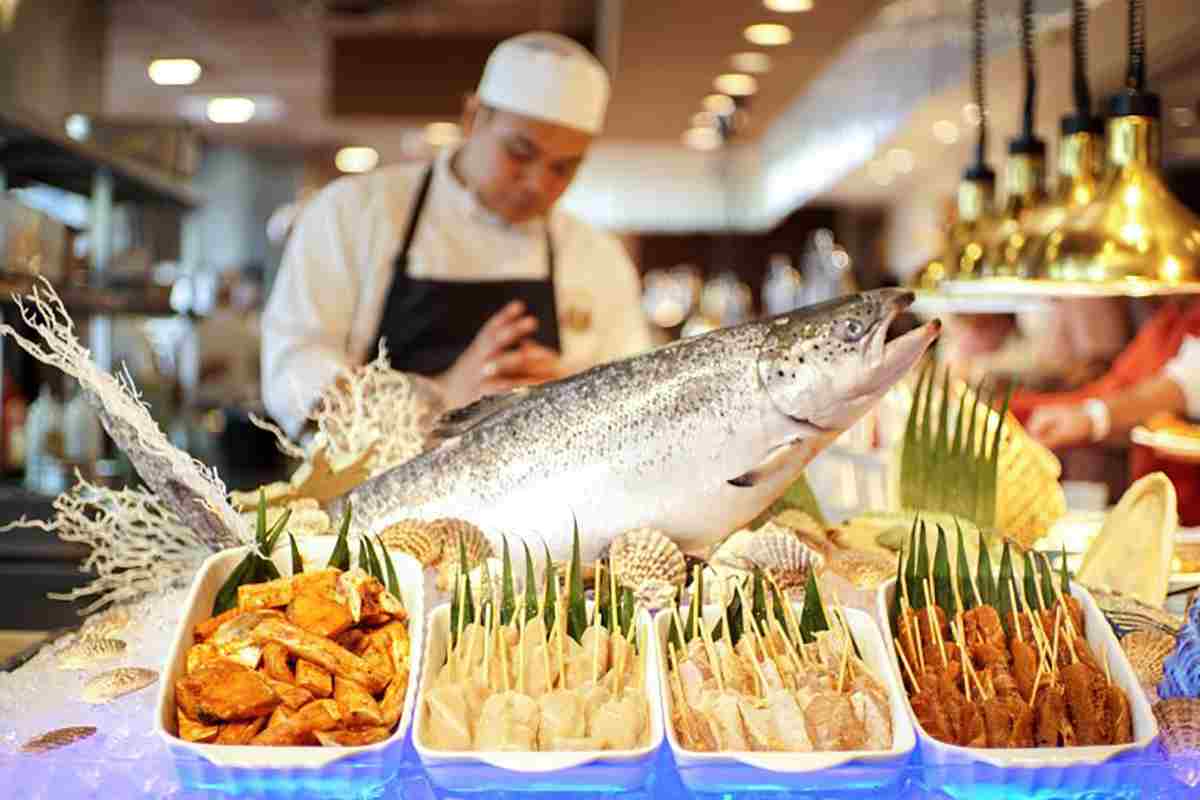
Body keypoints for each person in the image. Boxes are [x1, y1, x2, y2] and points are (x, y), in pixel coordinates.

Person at [261, 32, 652, 438]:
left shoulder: (595, 257)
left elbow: (639, 402)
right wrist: (438, 398)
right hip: (370, 494)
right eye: (520, 152)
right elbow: (294, 373)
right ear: (473, 117)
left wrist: (570, 397)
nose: (537, 183)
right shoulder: (353, 213)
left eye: (563, 168)